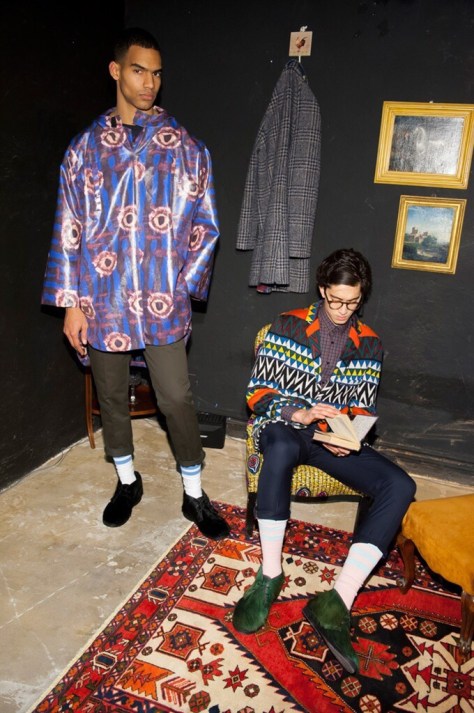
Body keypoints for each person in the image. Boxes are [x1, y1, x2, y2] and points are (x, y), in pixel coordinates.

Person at [41, 27, 229, 540]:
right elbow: (68, 227)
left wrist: (181, 285)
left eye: (157, 73)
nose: (149, 82)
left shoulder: (186, 148)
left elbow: (207, 225)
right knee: (111, 394)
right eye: (139, 70)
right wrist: (71, 304)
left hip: (163, 300)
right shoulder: (83, 150)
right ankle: (127, 481)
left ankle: (194, 492)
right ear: (116, 71)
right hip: (101, 299)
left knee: (176, 398)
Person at [232, 248, 416, 673]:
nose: (342, 310)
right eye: (335, 300)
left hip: (330, 440)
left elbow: (363, 406)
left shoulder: (370, 343)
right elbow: (257, 393)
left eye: (352, 303)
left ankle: (337, 600)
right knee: (280, 445)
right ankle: (270, 574)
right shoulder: (287, 324)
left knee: (400, 485)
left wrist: (347, 434)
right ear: (322, 290)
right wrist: (299, 413)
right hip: (287, 427)